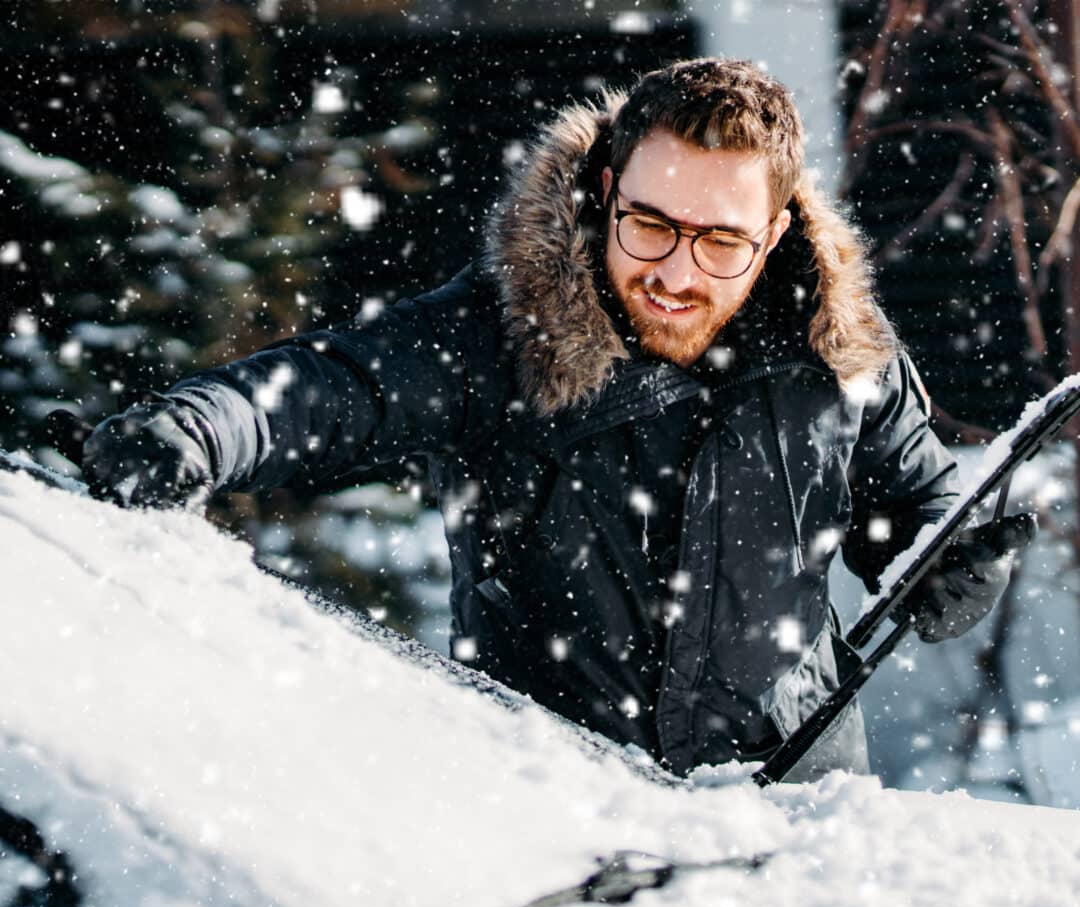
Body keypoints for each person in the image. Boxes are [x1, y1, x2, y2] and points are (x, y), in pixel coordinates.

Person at [83, 59, 1034, 779]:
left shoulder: (842, 353)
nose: (676, 272)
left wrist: (956, 566)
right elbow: (333, 386)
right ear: (608, 192)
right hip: (554, 811)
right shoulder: (508, 330)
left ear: (775, 235)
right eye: (651, 224)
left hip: (796, 813)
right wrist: (197, 430)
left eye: (721, 243)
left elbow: (922, 511)